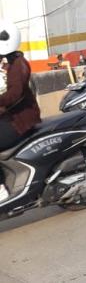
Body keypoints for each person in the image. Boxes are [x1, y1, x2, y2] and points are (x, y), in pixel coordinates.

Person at [0, 20, 41, 198]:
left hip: (21, 120)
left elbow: (15, 94)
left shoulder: (19, 65)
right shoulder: (10, 61)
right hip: (11, 116)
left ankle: (1, 188)